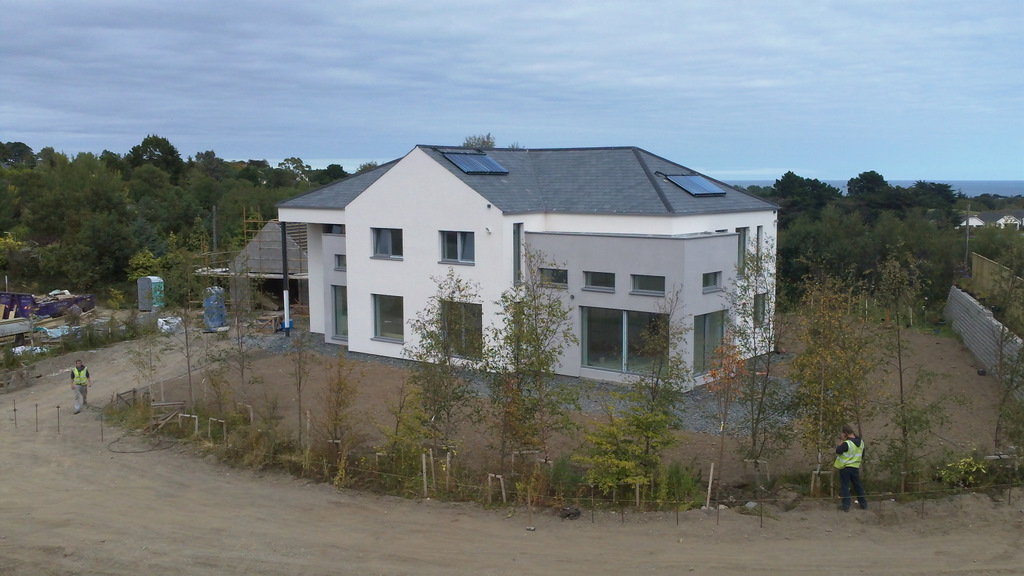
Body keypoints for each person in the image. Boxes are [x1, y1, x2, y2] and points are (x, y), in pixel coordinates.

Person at [834, 424, 868, 511]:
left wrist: (842, 440)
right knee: (857, 485)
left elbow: (838, 451)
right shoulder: (861, 443)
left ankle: (846, 506)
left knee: (845, 486)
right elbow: (862, 455)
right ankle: (863, 504)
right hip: (855, 467)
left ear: (845, 433)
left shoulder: (847, 443)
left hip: (845, 467)